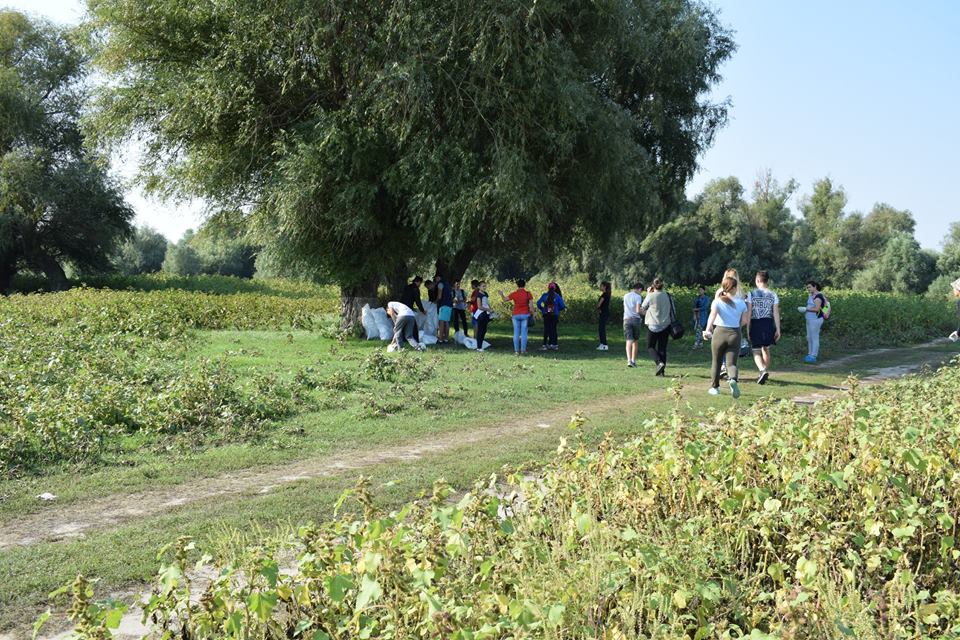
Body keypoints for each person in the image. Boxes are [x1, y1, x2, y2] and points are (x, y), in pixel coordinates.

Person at [703, 276, 749, 398]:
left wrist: (708, 329)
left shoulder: (717, 301)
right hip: (735, 334)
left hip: (719, 333)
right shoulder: (741, 303)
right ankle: (733, 379)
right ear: (734, 288)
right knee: (731, 363)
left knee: (716, 362)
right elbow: (745, 321)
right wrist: (736, 327)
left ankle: (715, 388)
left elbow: (712, 316)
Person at [747, 270, 781, 385]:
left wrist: (748, 328)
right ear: (767, 281)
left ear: (757, 280)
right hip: (768, 323)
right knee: (766, 348)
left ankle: (762, 370)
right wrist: (778, 329)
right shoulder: (773, 294)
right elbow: (776, 313)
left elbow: (749, 312)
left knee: (756, 350)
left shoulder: (751, 294)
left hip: (756, 322)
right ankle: (764, 371)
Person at [641, 278, 672, 376]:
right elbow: (672, 309)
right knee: (662, 348)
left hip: (653, 325)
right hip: (666, 324)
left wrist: (648, 293)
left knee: (650, 346)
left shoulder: (650, 295)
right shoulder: (668, 295)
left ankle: (659, 363)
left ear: (653, 286)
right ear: (663, 285)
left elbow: (643, 307)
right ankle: (662, 372)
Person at [499, 279, 534, 354]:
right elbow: (531, 306)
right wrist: (532, 313)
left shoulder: (514, 294)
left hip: (515, 315)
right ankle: (523, 350)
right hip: (525, 315)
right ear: (524, 285)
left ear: (517, 285)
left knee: (516, 333)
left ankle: (516, 351)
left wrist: (501, 294)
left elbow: (505, 299)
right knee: (524, 333)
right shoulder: (528, 294)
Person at [799, 280, 826, 363]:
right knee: (809, 337)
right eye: (807, 287)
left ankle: (813, 356)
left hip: (815, 320)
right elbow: (824, 305)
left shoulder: (818, 297)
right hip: (809, 319)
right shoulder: (811, 295)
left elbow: (817, 309)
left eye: (810, 287)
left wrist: (806, 309)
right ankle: (809, 354)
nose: (808, 289)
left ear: (815, 287)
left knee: (814, 337)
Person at [536, 282, 566, 351]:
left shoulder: (544, 295)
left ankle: (544, 345)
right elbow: (562, 306)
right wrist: (557, 309)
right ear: (555, 288)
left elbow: (538, 303)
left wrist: (542, 309)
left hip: (546, 314)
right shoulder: (557, 296)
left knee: (546, 329)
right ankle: (554, 345)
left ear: (548, 288)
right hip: (554, 315)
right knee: (553, 329)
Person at [622, 282, 644, 368]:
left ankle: (628, 360)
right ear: (640, 289)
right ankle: (633, 361)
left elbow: (625, 308)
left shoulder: (626, 295)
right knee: (635, 340)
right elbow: (638, 310)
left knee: (628, 340)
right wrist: (645, 312)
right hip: (635, 319)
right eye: (641, 291)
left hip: (626, 319)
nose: (641, 293)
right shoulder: (638, 297)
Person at [435, 273, 454, 344]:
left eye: (436, 278)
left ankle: (440, 339)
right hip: (449, 305)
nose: (435, 279)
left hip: (443, 304)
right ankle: (446, 339)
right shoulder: (448, 284)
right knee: (447, 322)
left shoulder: (440, 284)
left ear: (438, 277)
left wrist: (435, 301)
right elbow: (452, 295)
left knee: (441, 322)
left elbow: (439, 296)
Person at [473, 281, 492, 351]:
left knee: (484, 330)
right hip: (481, 314)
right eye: (483, 286)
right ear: (479, 287)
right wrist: (488, 309)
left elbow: (487, 303)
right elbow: (479, 307)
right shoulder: (478, 295)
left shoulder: (486, 293)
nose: (484, 287)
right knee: (480, 330)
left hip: (486, 313)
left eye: (485, 286)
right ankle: (479, 347)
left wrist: (490, 309)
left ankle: (481, 345)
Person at [596, 281, 611, 351]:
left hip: (604, 313)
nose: (600, 287)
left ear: (604, 287)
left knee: (601, 329)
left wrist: (598, 308)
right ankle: (602, 343)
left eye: (601, 286)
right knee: (601, 328)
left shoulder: (604, 295)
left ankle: (604, 344)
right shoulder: (607, 294)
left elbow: (599, 304)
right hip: (604, 313)